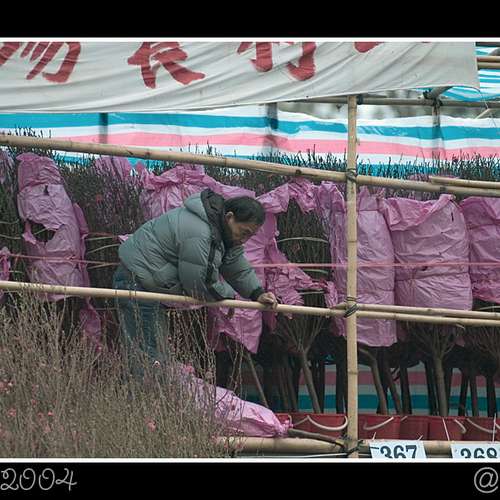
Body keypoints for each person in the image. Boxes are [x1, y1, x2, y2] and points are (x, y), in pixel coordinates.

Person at [113, 188, 278, 370]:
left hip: (144, 279)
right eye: (243, 232)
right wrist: (228, 295)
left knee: (152, 353)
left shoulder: (220, 230)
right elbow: (199, 283)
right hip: (136, 282)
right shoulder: (202, 233)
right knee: (148, 355)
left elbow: (235, 264)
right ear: (229, 217)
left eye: (250, 236)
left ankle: (147, 386)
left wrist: (257, 293)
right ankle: (144, 388)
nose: (244, 240)